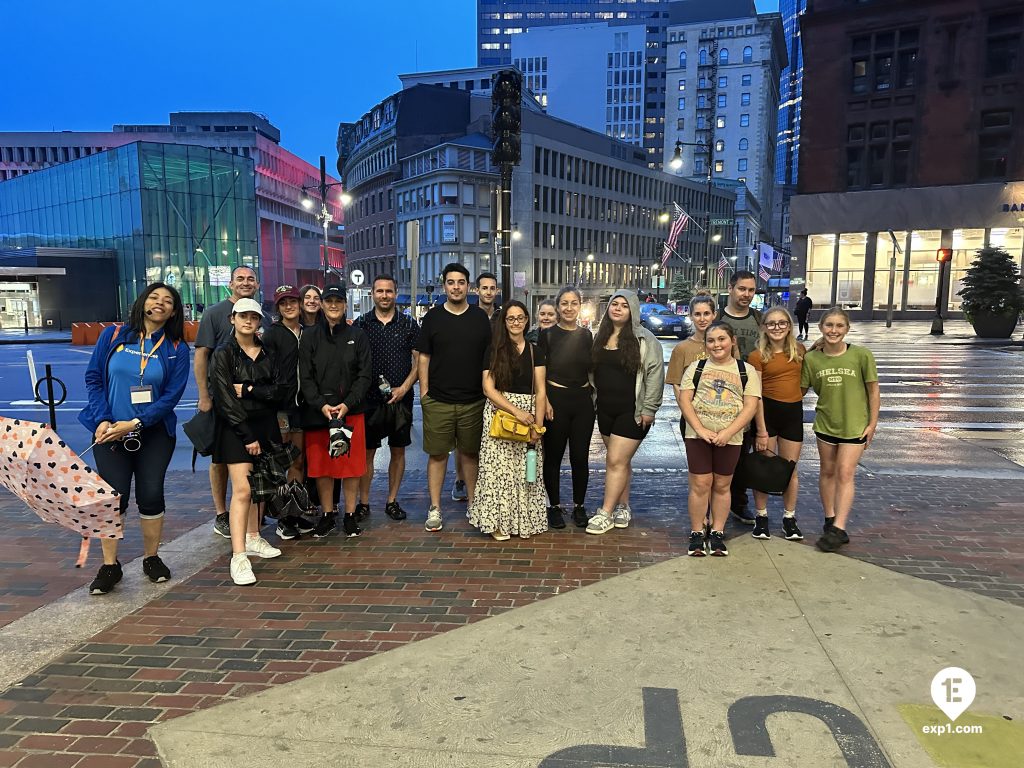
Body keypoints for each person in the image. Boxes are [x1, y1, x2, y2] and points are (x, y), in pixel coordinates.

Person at [80, 283, 190, 595]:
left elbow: (171, 397)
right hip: (110, 431)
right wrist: (103, 419)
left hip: (153, 433)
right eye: (155, 297)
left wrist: (137, 422)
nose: (160, 304)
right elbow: (93, 379)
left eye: (168, 301)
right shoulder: (113, 336)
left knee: (151, 494)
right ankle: (110, 565)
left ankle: (151, 558)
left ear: (173, 312)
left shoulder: (176, 348)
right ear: (143, 302)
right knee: (113, 497)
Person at [210, 298, 289, 586]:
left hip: (266, 425)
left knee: (261, 486)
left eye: (254, 317)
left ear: (259, 322)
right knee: (243, 490)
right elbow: (225, 398)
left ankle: (254, 537)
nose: (248, 321)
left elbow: (280, 390)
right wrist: (248, 436)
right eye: (243, 316)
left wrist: (251, 389)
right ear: (233, 318)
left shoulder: (268, 352)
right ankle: (238, 556)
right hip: (236, 429)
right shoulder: (223, 354)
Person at [416, 263, 493, 532]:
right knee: (438, 456)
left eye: (461, 282)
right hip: (438, 399)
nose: (456, 287)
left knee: (471, 456)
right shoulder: (433, 318)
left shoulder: (479, 318)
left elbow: (488, 358)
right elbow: (423, 357)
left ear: (468, 287)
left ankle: (474, 504)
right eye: (451, 282)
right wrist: (424, 393)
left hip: (473, 400)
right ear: (444, 286)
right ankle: (435, 507)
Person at [194, 266, 268, 539]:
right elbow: (202, 355)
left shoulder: (264, 316)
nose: (245, 282)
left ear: (257, 284)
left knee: (252, 461)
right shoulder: (214, 314)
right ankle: (221, 514)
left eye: (250, 279)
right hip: (221, 399)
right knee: (220, 459)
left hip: (253, 404)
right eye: (240, 278)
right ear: (231, 283)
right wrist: (204, 395)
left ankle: (252, 522)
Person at [801, 308, 880, 553]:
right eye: (829, 326)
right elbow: (800, 391)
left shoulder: (861, 355)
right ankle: (829, 518)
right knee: (827, 471)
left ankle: (839, 527)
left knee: (845, 473)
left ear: (847, 329)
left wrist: (872, 424)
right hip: (826, 423)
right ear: (821, 327)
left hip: (855, 425)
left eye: (839, 326)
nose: (833, 330)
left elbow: (873, 391)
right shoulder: (812, 359)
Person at [585, 290, 664, 535]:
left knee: (615, 461)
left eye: (624, 305)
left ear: (633, 310)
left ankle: (605, 513)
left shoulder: (645, 339)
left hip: (633, 411)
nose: (618, 308)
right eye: (614, 304)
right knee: (622, 462)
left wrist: (649, 408)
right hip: (606, 409)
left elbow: (654, 375)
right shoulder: (600, 336)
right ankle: (623, 506)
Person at [679, 322, 761, 557]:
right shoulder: (696, 368)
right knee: (700, 484)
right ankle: (697, 532)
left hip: (731, 437)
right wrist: (700, 429)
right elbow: (685, 401)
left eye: (722, 339)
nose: (717, 344)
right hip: (698, 435)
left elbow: (750, 406)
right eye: (711, 340)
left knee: (723, 485)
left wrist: (728, 432)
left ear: (732, 341)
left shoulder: (746, 371)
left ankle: (717, 531)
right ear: (706, 345)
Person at [468, 301, 548, 540]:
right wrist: (517, 413)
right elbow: (488, 389)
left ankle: (523, 520)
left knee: (526, 472)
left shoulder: (536, 351)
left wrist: (538, 426)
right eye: (510, 318)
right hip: (500, 414)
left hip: (530, 414)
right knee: (497, 473)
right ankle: (497, 523)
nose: (516, 322)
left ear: (526, 320)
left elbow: (541, 391)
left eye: (520, 318)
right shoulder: (494, 350)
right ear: (504, 323)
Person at [299, 284, 373, 538]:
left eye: (338, 301)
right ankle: (328, 515)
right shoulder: (309, 336)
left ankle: (350, 515)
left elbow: (365, 375)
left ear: (344, 304)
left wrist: (348, 404)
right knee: (322, 468)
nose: (333, 305)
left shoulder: (358, 335)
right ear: (321, 304)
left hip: (350, 411)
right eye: (328, 300)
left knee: (350, 467)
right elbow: (305, 377)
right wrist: (320, 405)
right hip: (319, 412)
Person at [354, 275, 420, 522]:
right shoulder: (361, 324)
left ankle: (392, 500)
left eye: (389, 291)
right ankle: (364, 502)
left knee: (398, 451)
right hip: (369, 399)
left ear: (395, 293)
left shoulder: (408, 325)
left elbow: (419, 360)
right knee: (367, 453)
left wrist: (404, 388)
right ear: (373, 293)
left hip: (400, 399)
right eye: (380, 291)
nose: (384, 295)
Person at [748, 307, 806, 541]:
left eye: (782, 323)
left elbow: (804, 382)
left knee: (790, 468)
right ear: (763, 327)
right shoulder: (757, 356)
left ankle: (789, 518)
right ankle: (761, 516)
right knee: (764, 468)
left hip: (793, 412)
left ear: (789, 326)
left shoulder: (800, 351)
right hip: (767, 413)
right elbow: (756, 394)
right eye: (771, 323)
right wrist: (761, 429)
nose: (777, 327)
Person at [539, 287, 595, 529]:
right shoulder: (547, 334)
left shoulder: (586, 335)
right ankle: (553, 506)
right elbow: (539, 374)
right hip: (555, 399)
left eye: (574, 303)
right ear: (558, 307)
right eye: (564, 303)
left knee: (580, 457)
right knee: (552, 457)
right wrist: (546, 402)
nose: (569, 308)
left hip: (582, 401)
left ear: (579, 306)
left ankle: (579, 506)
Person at [262, 285, 314, 540]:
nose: (289, 306)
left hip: (303, 407)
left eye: (293, 301)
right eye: (284, 303)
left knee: (298, 461)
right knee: (280, 462)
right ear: (278, 307)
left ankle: (294, 513)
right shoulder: (271, 334)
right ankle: (282, 517)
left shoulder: (309, 332)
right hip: (281, 407)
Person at [716, 271, 762, 525]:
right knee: (722, 451)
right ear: (731, 288)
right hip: (722, 393)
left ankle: (739, 501)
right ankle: (717, 500)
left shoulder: (758, 318)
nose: (746, 295)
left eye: (751, 290)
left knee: (745, 453)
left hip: (751, 394)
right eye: (742, 289)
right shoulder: (718, 318)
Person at [667, 295, 716, 411]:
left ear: (714, 315)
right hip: (691, 414)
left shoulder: (725, 346)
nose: (702, 319)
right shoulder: (681, 348)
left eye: (707, 313)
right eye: (697, 314)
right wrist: (689, 413)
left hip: (721, 413)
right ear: (691, 316)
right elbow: (676, 385)